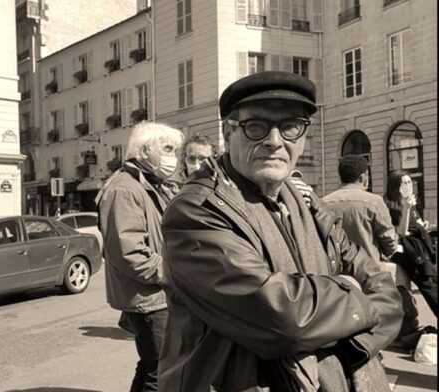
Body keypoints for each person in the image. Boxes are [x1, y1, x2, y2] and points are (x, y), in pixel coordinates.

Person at [159, 71, 402, 391]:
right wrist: (350, 290)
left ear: (303, 136)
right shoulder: (197, 211)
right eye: (256, 126)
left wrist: (347, 348)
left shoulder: (307, 201)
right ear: (228, 132)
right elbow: (287, 318)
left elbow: (385, 291)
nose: (275, 141)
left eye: (290, 126)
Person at [95, 122, 184, 392]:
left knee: (152, 366)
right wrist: (176, 273)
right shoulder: (124, 189)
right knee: (160, 372)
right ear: (145, 151)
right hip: (150, 299)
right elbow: (129, 253)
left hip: (156, 296)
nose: (174, 158)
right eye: (168, 149)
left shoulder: (146, 184)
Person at [384, 171, 438, 349]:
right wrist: (406, 208)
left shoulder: (414, 203)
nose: (408, 186)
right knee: (429, 287)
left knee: (433, 284)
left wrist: (423, 226)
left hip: (421, 249)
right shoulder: (391, 206)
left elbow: (418, 224)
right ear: (395, 187)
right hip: (409, 253)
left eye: (409, 182)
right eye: (403, 183)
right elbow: (401, 232)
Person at [322, 155, 398, 265]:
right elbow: (390, 243)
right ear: (363, 177)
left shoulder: (323, 203)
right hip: (368, 272)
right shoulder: (374, 202)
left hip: (334, 274)